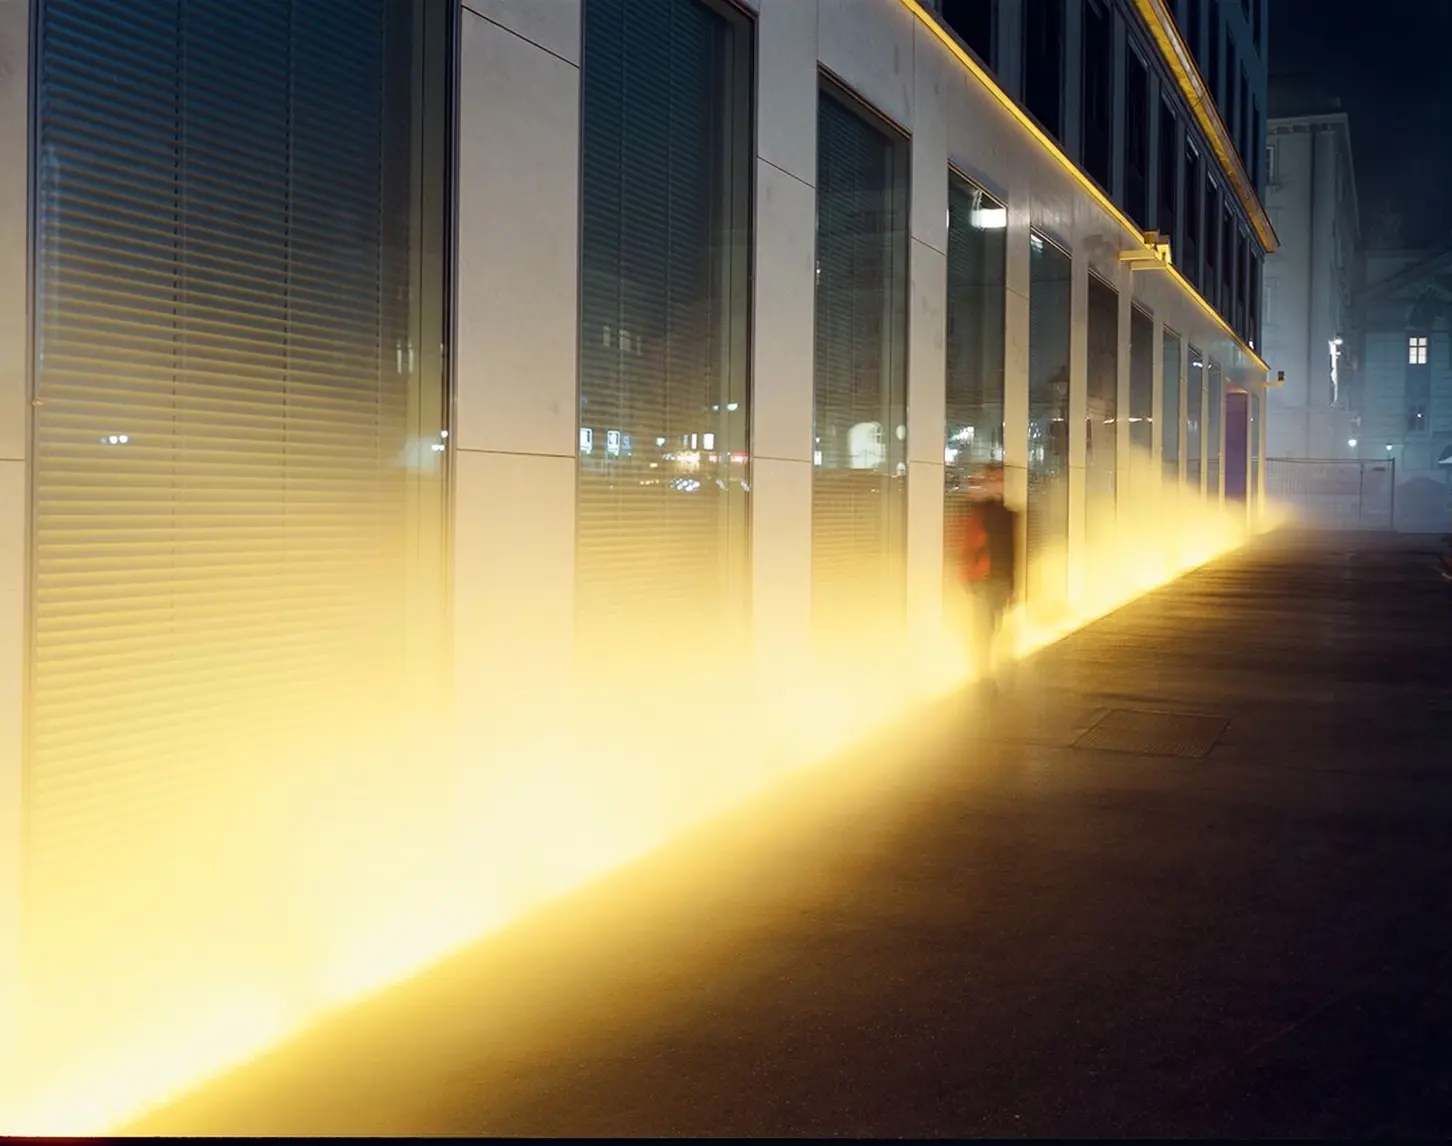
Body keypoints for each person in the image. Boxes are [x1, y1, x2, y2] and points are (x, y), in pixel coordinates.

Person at [948, 462, 1020, 687]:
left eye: (1000, 480)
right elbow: (965, 546)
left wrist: (1014, 583)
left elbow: (1012, 551)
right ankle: (984, 676)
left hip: (999, 579)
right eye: (993, 480)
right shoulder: (977, 513)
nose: (997, 484)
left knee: (994, 625)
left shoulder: (1009, 514)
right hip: (983, 578)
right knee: (985, 628)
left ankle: (988, 671)